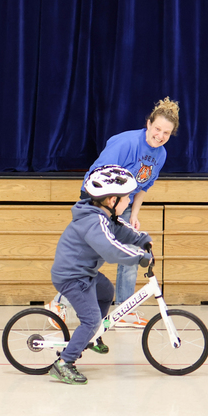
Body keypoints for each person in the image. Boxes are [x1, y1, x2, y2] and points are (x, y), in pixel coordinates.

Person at [48, 97, 179, 328]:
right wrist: (104, 208)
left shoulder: (161, 154)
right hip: (99, 200)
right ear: (148, 124)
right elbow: (99, 175)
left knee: (130, 254)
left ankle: (125, 310)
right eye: (157, 129)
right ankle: (59, 303)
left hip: (123, 203)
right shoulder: (126, 143)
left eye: (166, 133)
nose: (160, 136)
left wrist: (134, 214)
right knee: (95, 254)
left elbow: (143, 186)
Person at [49, 165, 153, 385]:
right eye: (127, 198)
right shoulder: (93, 222)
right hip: (72, 277)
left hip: (84, 273)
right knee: (91, 319)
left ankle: (94, 335)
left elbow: (121, 230)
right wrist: (139, 257)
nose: (129, 202)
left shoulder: (103, 216)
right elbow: (111, 249)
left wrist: (141, 239)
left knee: (106, 292)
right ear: (111, 200)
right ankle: (64, 363)